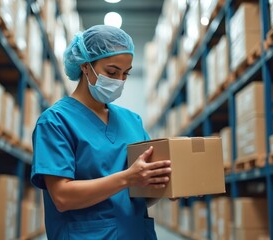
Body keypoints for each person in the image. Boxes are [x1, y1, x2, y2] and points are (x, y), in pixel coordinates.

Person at [31, 25, 171, 239]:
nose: (119, 81)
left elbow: (141, 194)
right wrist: (127, 178)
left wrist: (168, 187)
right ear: (86, 67)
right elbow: (62, 197)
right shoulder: (55, 122)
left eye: (126, 74)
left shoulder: (132, 121)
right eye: (112, 72)